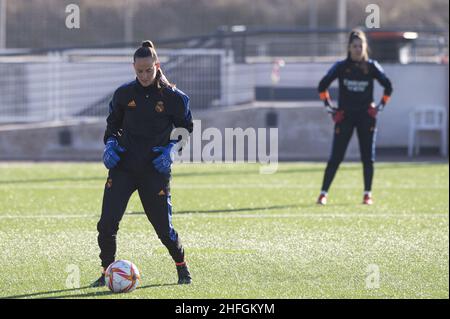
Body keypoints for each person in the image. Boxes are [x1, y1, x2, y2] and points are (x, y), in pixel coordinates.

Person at [91, 40, 194, 287]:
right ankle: (107, 272)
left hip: (154, 170)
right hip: (123, 168)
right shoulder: (124, 94)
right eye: (139, 71)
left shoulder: (174, 98)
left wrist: (171, 150)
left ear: (157, 66)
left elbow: (185, 130)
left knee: (163, 228)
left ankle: (182, 269)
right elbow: (112, 127)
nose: (144, 75)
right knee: (107, 224)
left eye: (149, 70)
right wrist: (110, 146)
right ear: (133, 68)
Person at [316, 29, 393, 205]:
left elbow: (388, 87)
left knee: (368, 158)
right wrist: (331, 110)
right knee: (336, 157)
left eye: (361, 46)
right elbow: (322, 87)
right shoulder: (341, 67)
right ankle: (323, 193)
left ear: (365, 47)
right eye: (355, 46)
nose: (358, 49)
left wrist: (379, 107)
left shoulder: (372, 67)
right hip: (345, 117)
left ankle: (367, 194)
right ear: (349, 48)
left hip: (366, 118)